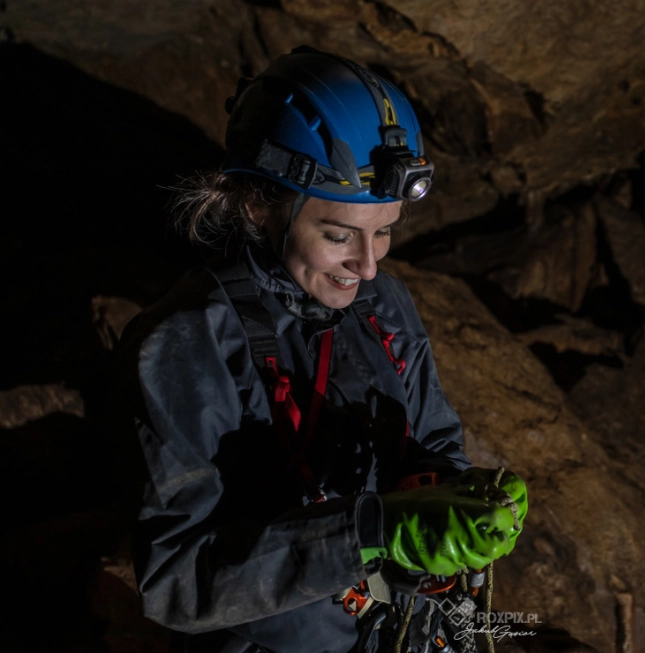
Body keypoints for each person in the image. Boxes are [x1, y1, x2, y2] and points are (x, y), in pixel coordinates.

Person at [112, 46, 528, 653]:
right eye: (338, 235)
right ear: (259, 204)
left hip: (409, 632)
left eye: (383, 231)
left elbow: (433, 442)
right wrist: (372, 532)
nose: (366, 264)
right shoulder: (184, 345)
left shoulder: (384, 307)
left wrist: (460, 501)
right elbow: (179, 578)